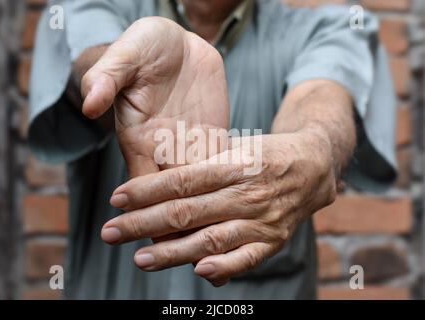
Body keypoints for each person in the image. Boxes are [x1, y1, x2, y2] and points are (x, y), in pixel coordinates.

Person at [28, 0, 397, 299]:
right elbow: (92, 65)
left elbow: (322, 94)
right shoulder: (85, 7)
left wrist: (315, 145)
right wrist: (122, 76)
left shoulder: (332, 29)